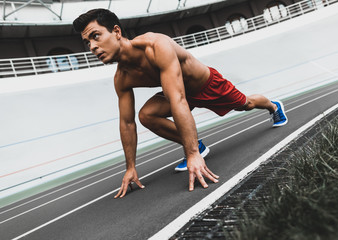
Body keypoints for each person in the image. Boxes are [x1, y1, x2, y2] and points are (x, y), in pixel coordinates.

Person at [73, 9, 288, 198]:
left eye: (96, 36)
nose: (92, 46)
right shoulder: (122, 78)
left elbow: (178, 100)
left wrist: (191, 154)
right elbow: (127, 123)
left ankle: (273, 106)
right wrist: (131, 167)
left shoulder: (155, 46)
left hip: (206, 85)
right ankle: (198, 146)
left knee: (246, 104)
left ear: (116, 32)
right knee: (146, 115)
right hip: (175, 91)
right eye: (88, 42)